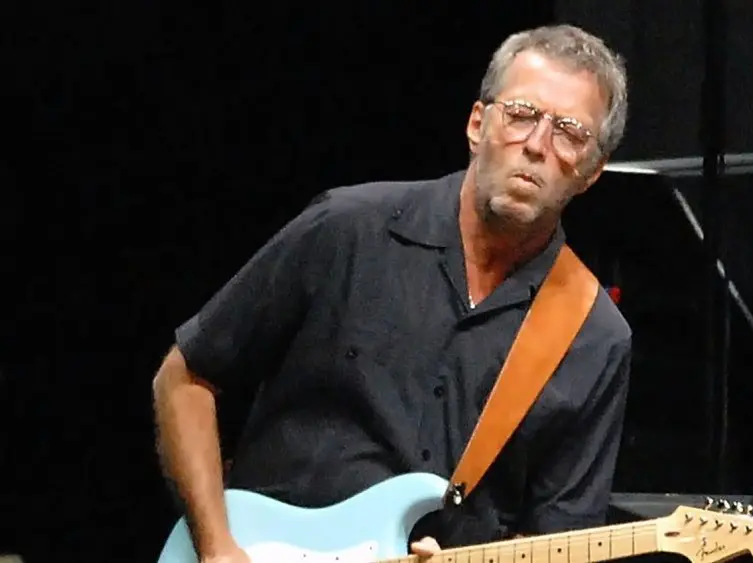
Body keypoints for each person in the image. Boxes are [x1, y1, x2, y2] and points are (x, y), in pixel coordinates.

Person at [152, 23, 632, 563]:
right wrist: (217, 546)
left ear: (592, 172)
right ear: (477, 124)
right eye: (521, 114)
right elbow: (185, 377)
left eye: (569, 132)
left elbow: (556, 538)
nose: (537, 146)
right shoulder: (347, 229)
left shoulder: (594, 336)